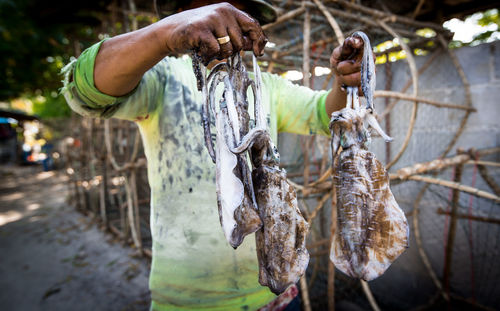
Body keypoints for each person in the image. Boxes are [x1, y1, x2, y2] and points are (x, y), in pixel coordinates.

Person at [62, 1, 365, 310]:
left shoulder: (266, 86)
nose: (222, 19)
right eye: (208, 9)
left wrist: (345, 81)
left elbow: (325, 115)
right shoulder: (163, 78)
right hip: (186, 302)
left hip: (275, 296)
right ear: (184, 13)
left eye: (236, 11)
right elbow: (83, 91)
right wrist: (163, 37)